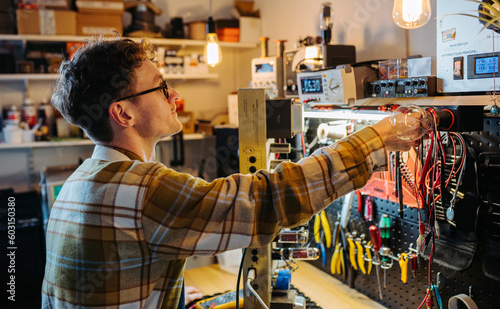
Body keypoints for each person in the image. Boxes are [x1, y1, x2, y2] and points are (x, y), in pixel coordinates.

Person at [41, 38, 418, 308]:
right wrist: (373, 141)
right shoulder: (141, 188)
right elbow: (266, 201)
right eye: (161, 88)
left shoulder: (82, 180)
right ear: (123, 114)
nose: (175, 98)